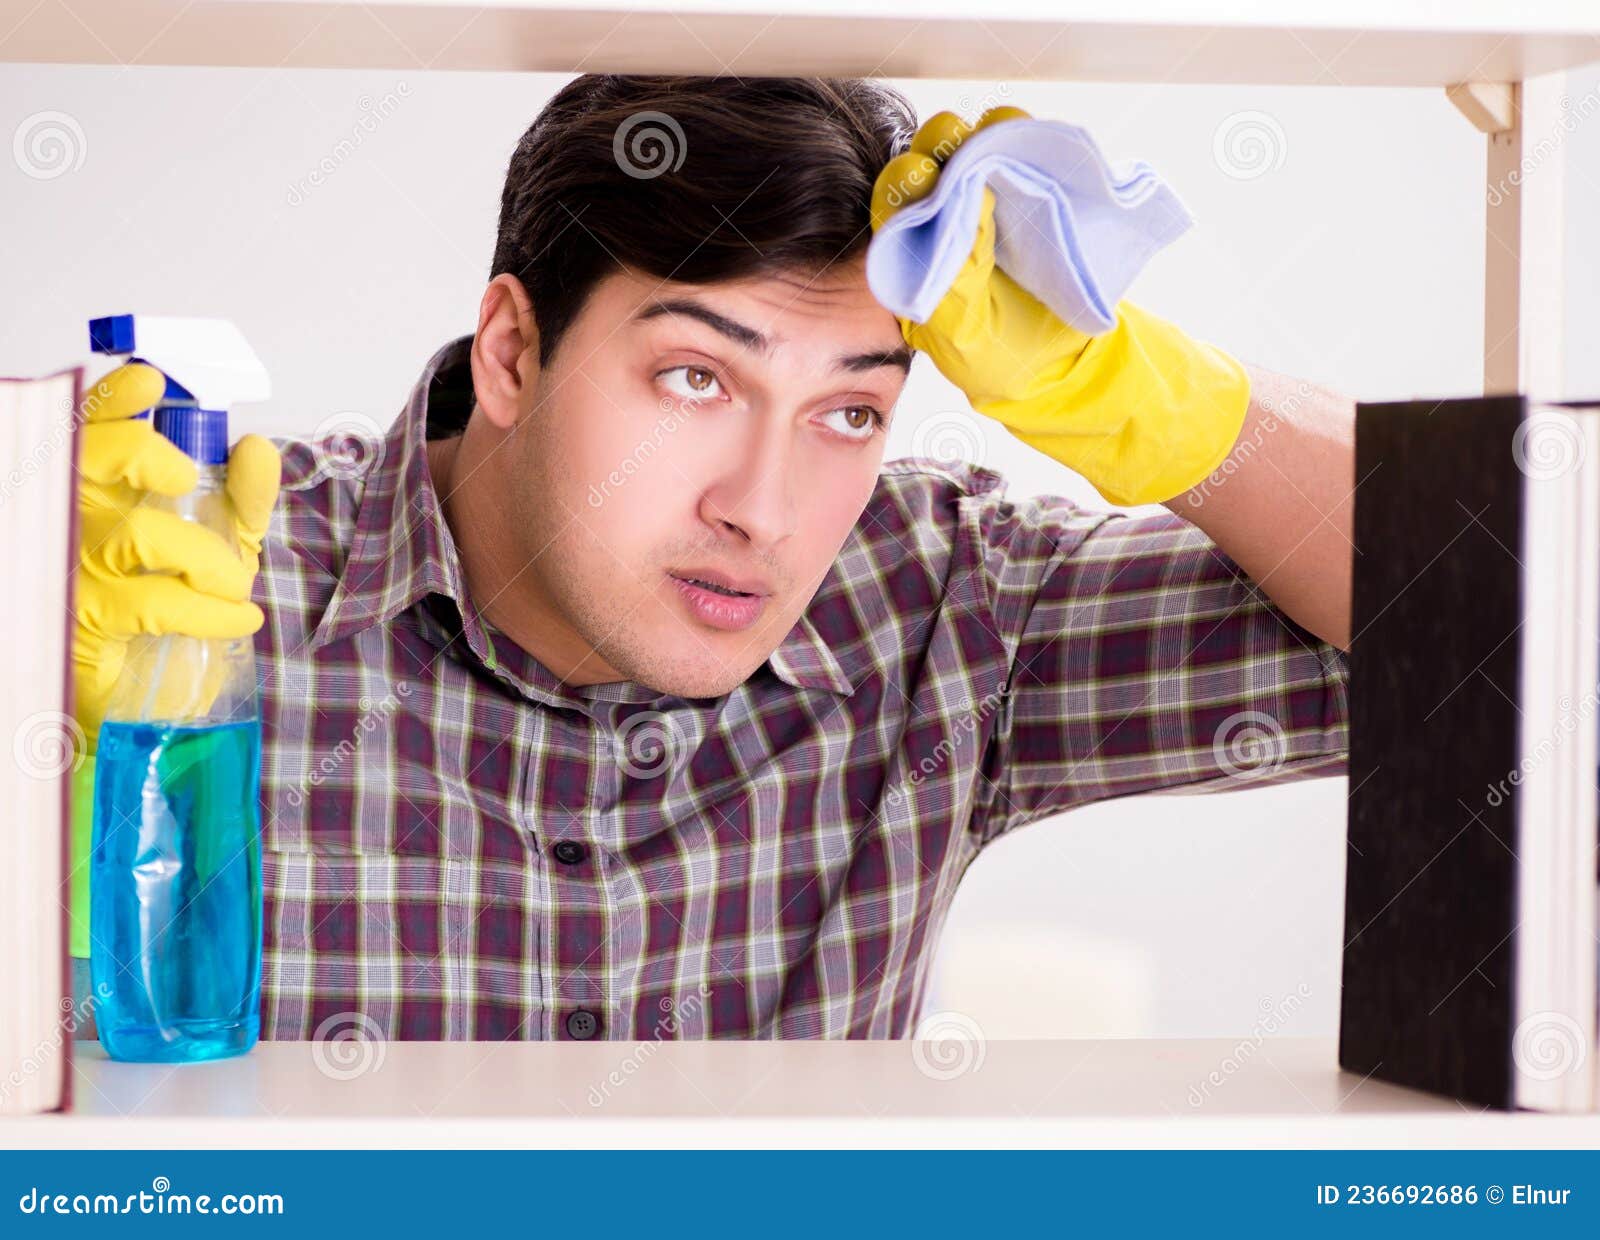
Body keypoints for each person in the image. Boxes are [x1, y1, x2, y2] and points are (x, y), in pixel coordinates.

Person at [70, 73, 1352, 1042]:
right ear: (513, 351)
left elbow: (1505, 612)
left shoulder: (939, 602)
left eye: (850, 410)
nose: (766, 510)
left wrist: (1149, 401)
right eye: (695, 378)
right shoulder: (184, 583)